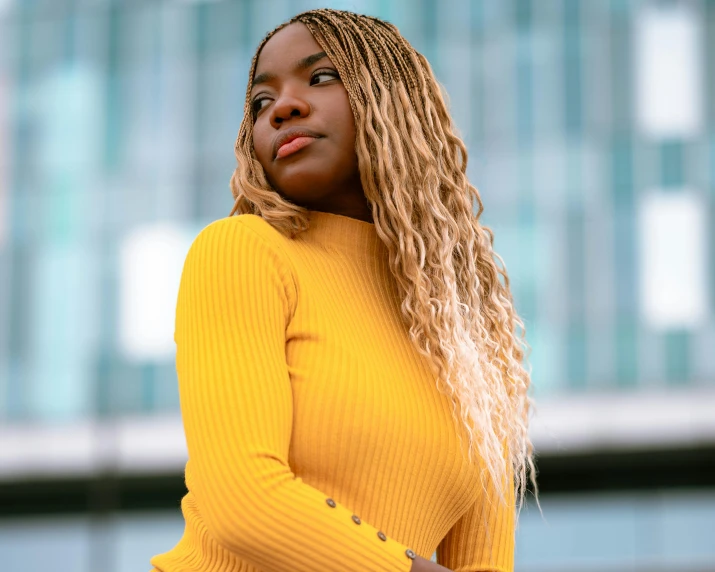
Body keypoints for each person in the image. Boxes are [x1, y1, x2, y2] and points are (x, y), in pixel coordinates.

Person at [150, 8, 536, 572]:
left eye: (321, 77)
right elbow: (242, 500)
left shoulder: (468, 336)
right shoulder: (243, 252)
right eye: (261, 103)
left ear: (392, 101)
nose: (283, 107)